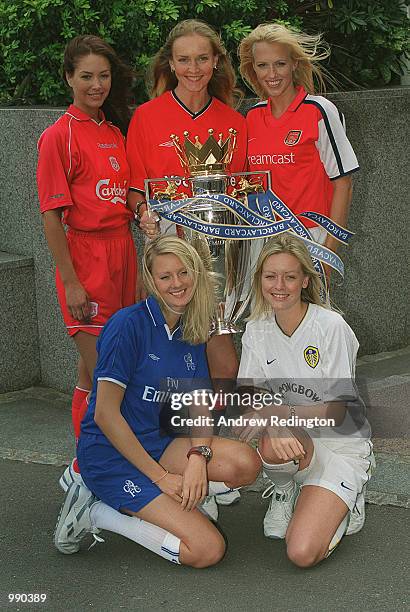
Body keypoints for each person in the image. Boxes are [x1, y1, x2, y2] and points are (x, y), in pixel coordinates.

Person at [54, 236, 261, 567]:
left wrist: (197, 457)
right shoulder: (127, 326)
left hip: (160, 442)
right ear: (151, 281)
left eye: (183, 273)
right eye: (165, 277)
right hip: (111, 455)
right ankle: (94, 511)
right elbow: (106, 415)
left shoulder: (190, 325)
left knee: (246, 463)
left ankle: (184, 497)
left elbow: (198, 403)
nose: (177, 284)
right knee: (207, 550)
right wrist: (161, 478)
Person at [127, 19, 250, 510]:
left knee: (222, 362)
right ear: (170, 64)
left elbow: (246, 195)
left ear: (216, 61)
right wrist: (143, 213)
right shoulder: (146, 118)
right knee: (167, 362)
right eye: (184, 59)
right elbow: (138, 187)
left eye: (203, 58)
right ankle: (175, 462)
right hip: (170, 262)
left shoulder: (234, 122)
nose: (194, 67)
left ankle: (210, 460)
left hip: (219, 263)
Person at [236, 233, 374, 567]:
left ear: (305, 281)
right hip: (299, 443)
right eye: (270, 276)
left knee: (301, 553)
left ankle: (349, 494)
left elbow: (339, 411)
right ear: (259, 281)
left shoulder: (331, 327)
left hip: (341, 446)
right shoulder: (257, 328)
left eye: (290, 276)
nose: (279, 285)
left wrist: (280, 412)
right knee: (270, 438)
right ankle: (286, 491)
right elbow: (247, 396)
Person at [36, 35, 137, 481]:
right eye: (86, 76)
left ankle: (82, 460)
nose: (97, 85)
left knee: (94, 369)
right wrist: (71, 280)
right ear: (68, 78)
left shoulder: (114, 132)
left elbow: (126, 196)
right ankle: (98, 468)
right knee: (108, 376)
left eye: (103, 75)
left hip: (124, 252)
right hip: (85, 258)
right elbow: (52, 218)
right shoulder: (59, 136)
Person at [238, 23, 359, 253]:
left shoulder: (319, 110)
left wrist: (328, 253)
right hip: (263, 242)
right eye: (263, 65)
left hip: (310, 238)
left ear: (294, 63)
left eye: (280, 64)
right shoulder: (251, 116)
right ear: (253, 68)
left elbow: (344, 184)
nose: (271, 74)